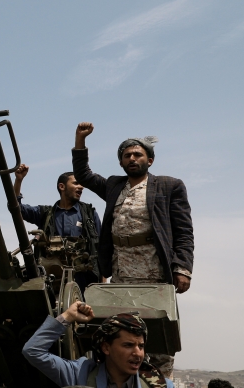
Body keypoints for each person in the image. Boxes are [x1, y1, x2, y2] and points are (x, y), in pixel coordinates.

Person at [73, 123, 193, 377]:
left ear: (150, 160)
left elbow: (183, 231)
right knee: (123, 333)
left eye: (138, 154)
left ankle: (161, 382)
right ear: (121, 162)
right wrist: (80, 140)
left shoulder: (168, 186)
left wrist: (183, 268)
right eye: (127, 155)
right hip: (121, 275)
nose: (132, 158)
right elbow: (83, 175)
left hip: (155, 274)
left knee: (158, 336)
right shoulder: (114, 186)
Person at [22, 300, 172, 387]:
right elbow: (33, 351)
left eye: (141, 346)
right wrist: (68, 316)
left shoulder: (158, 384)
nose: (138, 353)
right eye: (128, 345)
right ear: (106, 347)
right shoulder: (80, 375)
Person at [14, 164, 104, 292]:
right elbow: (17, 208)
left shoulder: (89, 213)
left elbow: (101, 246)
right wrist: (18, 180)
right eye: (76, 183)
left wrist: (102, 280)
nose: (81, 187)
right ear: (62, 186)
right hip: (51, 279)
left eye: (81, 184)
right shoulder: (45, 214)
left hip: (84, 279)